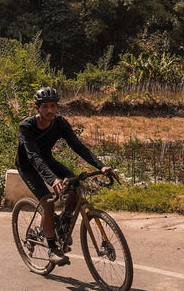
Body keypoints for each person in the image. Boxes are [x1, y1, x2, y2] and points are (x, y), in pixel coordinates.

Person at [16, 86, 114, 265]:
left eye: (53, 106)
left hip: (48, 160)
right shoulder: (27, 126)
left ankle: (63, 222)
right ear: (37, 108)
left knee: (75, 187)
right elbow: (34, 157)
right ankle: (53, 249)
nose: (49, 110)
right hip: (28, 166)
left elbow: (78, 146)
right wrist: (52, 179)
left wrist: (101, 166)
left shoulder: (60, 123)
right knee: (47, 203)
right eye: (45, 107)